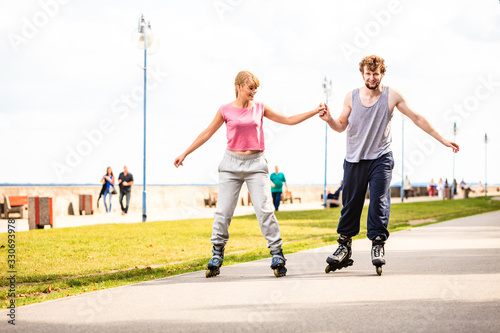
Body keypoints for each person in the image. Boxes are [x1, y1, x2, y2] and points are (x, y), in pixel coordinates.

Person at [174, 70, 324, 278]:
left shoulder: (260, 108)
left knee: (264, 210)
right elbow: (207, 132)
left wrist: (314, 111)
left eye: (256, 88)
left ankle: (277, 253)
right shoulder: (225, 110)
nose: (254, 92)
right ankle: (217, 253)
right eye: (250, 88)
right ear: (238, 87)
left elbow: (288, 119)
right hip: (230, 165)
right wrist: (185, 153)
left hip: (255, 164)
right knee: (223, 211)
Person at [319, 55, 459, 275]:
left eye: (376, 73)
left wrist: (442, 139)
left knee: (379, 200)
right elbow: (340, 126)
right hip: (354, 159)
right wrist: (329, 119)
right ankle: (344, 246)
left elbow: (417, 117)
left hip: (381, 157)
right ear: (362, 73)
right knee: (351, 204)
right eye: (368, 73)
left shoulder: (391, 96)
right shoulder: (351, 97)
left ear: (382, 73)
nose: (372, 77)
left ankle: (377, 243)